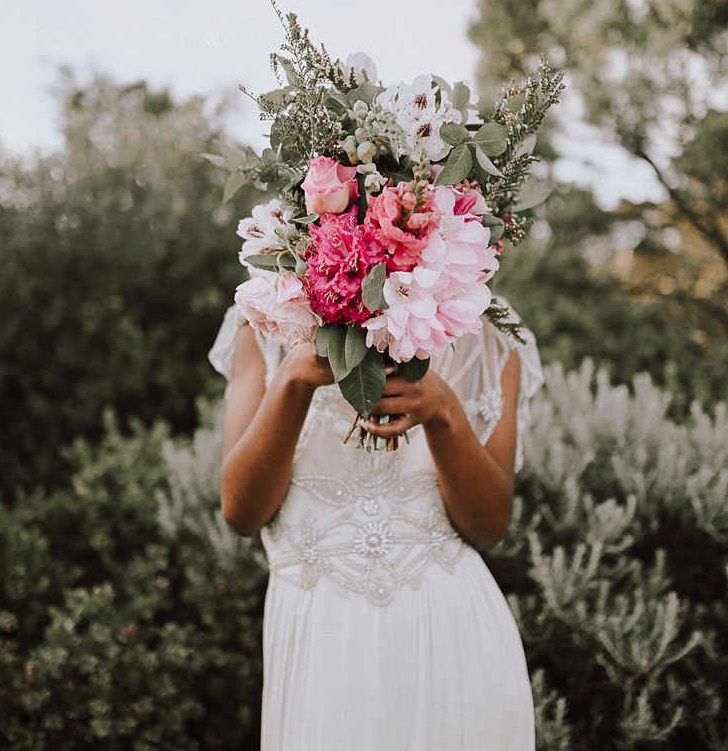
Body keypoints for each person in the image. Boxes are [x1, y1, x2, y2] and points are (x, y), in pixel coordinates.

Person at [208, 295, 544, 749]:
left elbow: (488, 526)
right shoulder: (268, 313)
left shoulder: (483, 325)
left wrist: (443, 410)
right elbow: (242, 513)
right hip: (320, 643)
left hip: (449, 636)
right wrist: (293, 379)